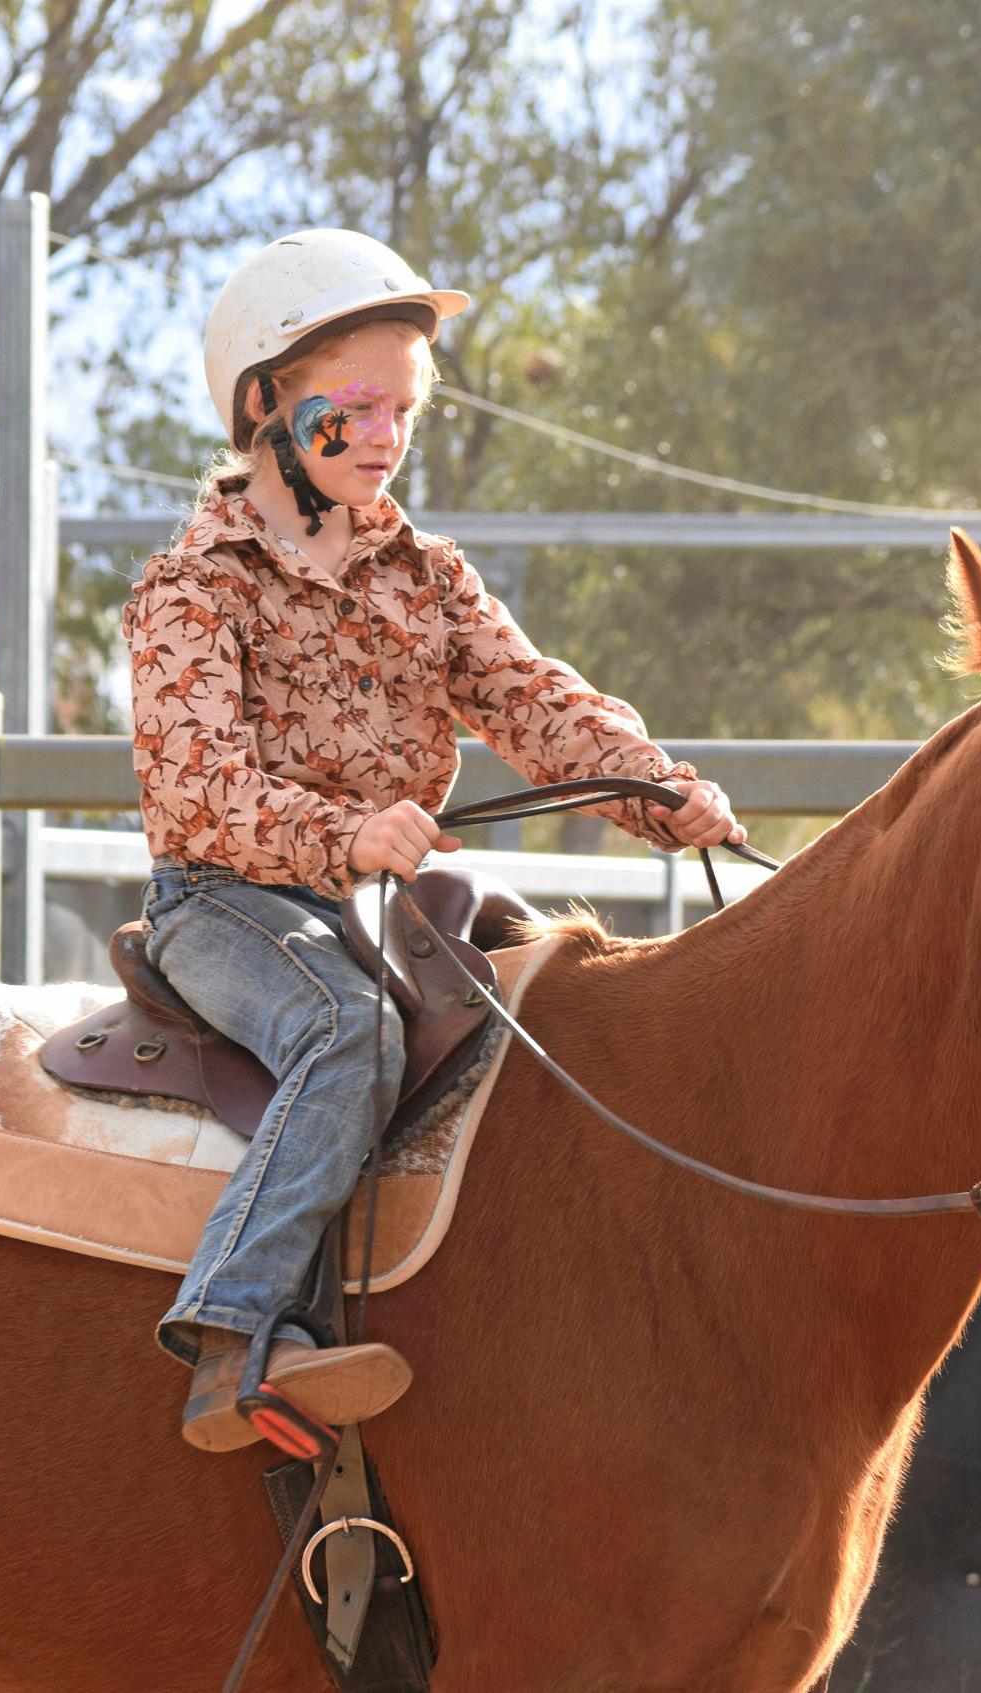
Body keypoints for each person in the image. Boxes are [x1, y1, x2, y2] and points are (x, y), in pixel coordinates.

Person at [129, 228, 744, 1451]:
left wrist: (653, 787)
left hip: (381, 895)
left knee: (541, 1004)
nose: (383, 436)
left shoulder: (429, 577)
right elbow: (198, 792)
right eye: (351, 408)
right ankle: (235, 1333)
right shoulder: (189, 590)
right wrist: (347, 833)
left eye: (403, 410)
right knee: (344, 1026)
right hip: (230, 898)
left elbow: (534, 700)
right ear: (266, 405)